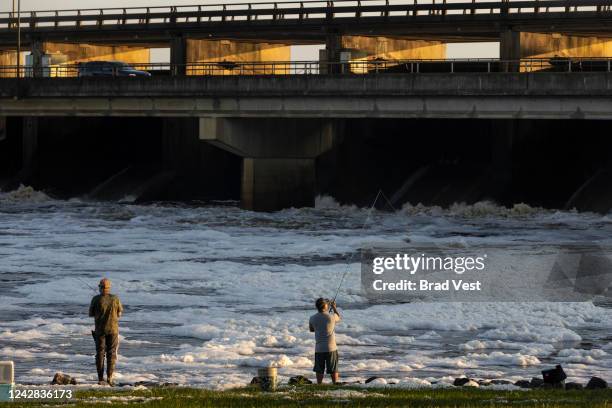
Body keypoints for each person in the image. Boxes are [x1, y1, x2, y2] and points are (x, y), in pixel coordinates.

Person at [89, 278, 123, 386]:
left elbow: (91, 314)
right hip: (113, 330)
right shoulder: (115, 298)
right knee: (111, 353)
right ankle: (109, 378)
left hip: (99, 330)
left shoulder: (96, 299)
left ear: (100, 288)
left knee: (100, 353)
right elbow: (120, 313)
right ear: (109, 288)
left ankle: (100, 378)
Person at [309, 297, 341, 384]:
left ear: (317, 307)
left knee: (319, 369)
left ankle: (319, 385)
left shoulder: (312, 318)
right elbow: (339, 317)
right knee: (333, 368)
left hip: (319, 348)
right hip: (331, 348)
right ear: (326, 307)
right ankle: (335, 384)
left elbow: (312, 329)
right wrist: (334, 307)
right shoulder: (331, 317)